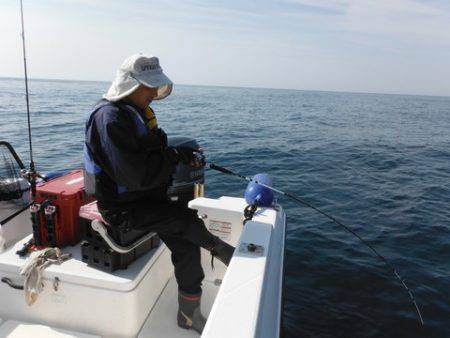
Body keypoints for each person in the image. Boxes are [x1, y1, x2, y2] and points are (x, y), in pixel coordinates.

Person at [83, 54, 234, 334]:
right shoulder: (110, 118)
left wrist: (179, 154)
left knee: (187, 247)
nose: (154, 92)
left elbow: (151, 151)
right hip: (123, 209)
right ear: (129, 85)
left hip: (147, 200)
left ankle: (188, 316)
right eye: (149, 86)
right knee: (186, 222)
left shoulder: (134, 111)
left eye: (156, 86)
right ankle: (227, 253)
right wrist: (175, 157)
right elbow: (135, 175)